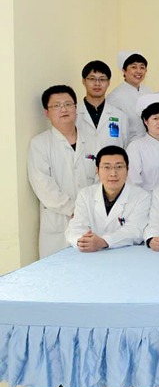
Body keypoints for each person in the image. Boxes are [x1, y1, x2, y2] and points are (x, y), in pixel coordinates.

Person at [27, 85, 97, 258]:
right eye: (56, 106)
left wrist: (88, 209)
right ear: (47, 112)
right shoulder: (40, 144)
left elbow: (101, 177)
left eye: (68, 104)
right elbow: (43, 185)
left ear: (76, 108)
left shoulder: (93, 141)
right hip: (58, 223)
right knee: (56, 270)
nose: (63, 109)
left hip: (92, 219)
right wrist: (74, 210)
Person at [65, 145, 151, 252]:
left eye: (119, 167)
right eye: (107, 167)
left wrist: (103, 242)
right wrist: (82, 241)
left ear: (127, 170)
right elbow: (76, 227)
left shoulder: (142, 196)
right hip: (90, 254)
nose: (113, 173)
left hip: (125, 254)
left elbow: (135, 230)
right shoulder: (86, 194)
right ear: (97, 170)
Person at [126, 94, 159, 193]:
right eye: (155, 118)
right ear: (145, 121)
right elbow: (133, 183)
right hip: (147, 199)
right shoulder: (136, 147)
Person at [77, 60, 129, 149]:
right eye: (92, 79)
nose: (97, 84)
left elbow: (125, 148)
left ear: (108, 83)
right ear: (83, 81)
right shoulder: (74, 114)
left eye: (102, 79)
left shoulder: (120, 116)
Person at [107, 51, 152, 139]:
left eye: (142, 67)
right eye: (134, 67)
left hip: (148, 142)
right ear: (124, 70)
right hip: (127, 144)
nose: (139, 71)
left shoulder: (149, 92)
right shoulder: (115, 97)